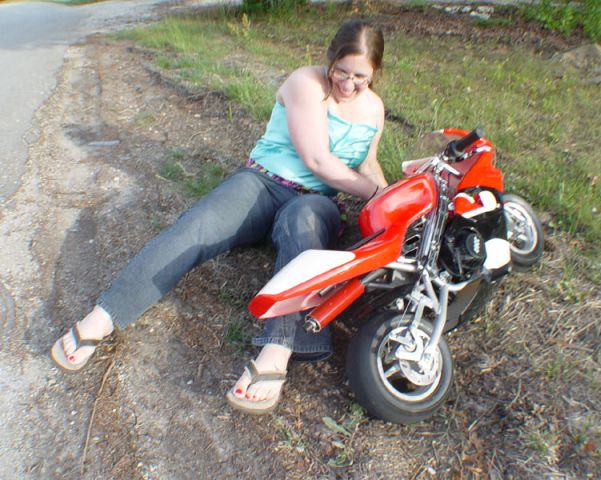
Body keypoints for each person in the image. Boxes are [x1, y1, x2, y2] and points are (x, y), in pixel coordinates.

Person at [51, 19, 388, 415]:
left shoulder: (374, 109)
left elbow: (368, 164)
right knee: (195, 229)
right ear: (330, 59)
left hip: (315, 202)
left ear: (375, 74)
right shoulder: (307, 83)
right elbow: (316, 160)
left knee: (305, 231)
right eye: (341, 71)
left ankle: (277, 350)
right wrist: (373, 193)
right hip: (264, 183)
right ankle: (104, 315)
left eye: (360, 77)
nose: (347, 84)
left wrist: (388, 197)